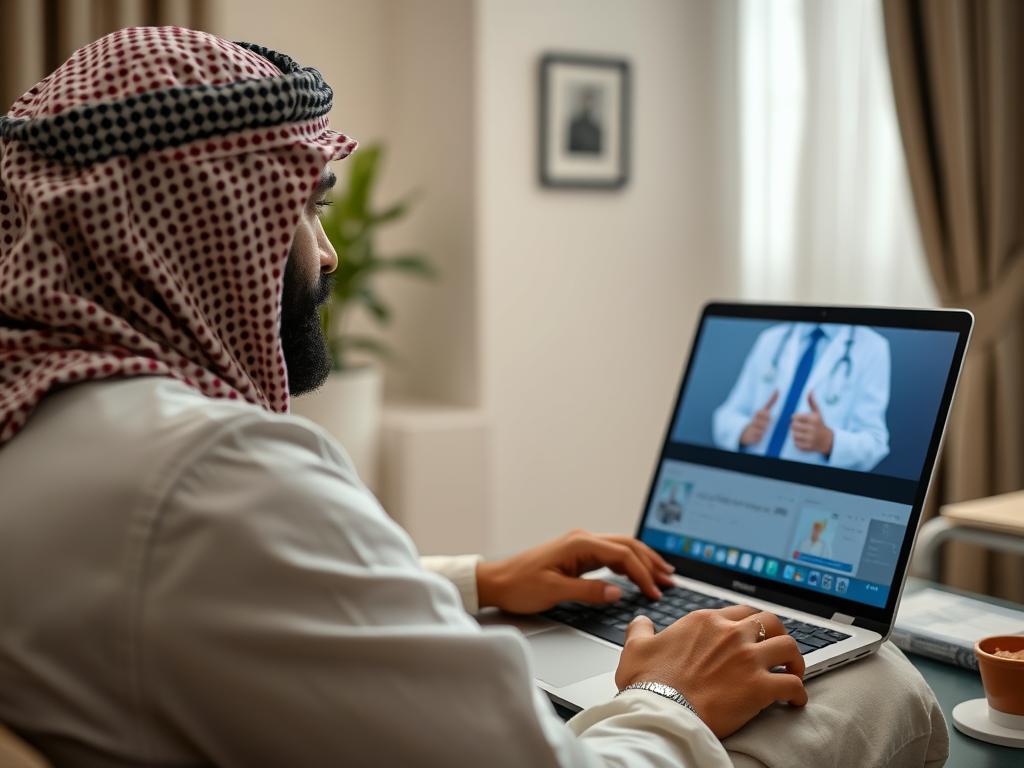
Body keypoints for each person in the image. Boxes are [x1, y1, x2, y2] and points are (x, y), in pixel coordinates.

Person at [0, 28, 946, 768]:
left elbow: (219, 599)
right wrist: (666, 698)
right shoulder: (209, 469)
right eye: (306, 209)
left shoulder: (50, 425)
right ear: (197, 229)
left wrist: (477, 584)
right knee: (879, 679)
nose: (326, 254)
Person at [712, 323, 891, 471]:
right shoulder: (771, 339)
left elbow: (875, 444)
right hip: (750, 477)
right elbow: (724, 417)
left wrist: (829, 441)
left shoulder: (873, 348)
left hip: (809, 492)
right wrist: (745, 430)